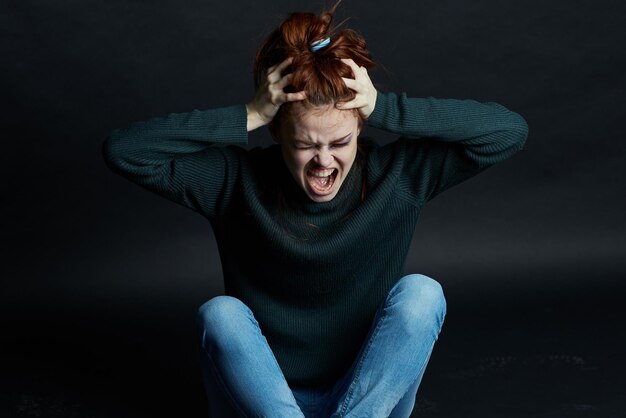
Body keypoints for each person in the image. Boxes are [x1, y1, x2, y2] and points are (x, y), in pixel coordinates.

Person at [101, 0, 528, 416]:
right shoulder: (235, 181)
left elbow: (507, 132)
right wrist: (247, 113)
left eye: (340, 142)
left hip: (367, 398)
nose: (324, 162)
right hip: (264, 401)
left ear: (359, 126)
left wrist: (385, 107)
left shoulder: (396, 176)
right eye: (305, 145)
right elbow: (125, 151)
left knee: (423, 295)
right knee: (221, 314)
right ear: (276, 133)